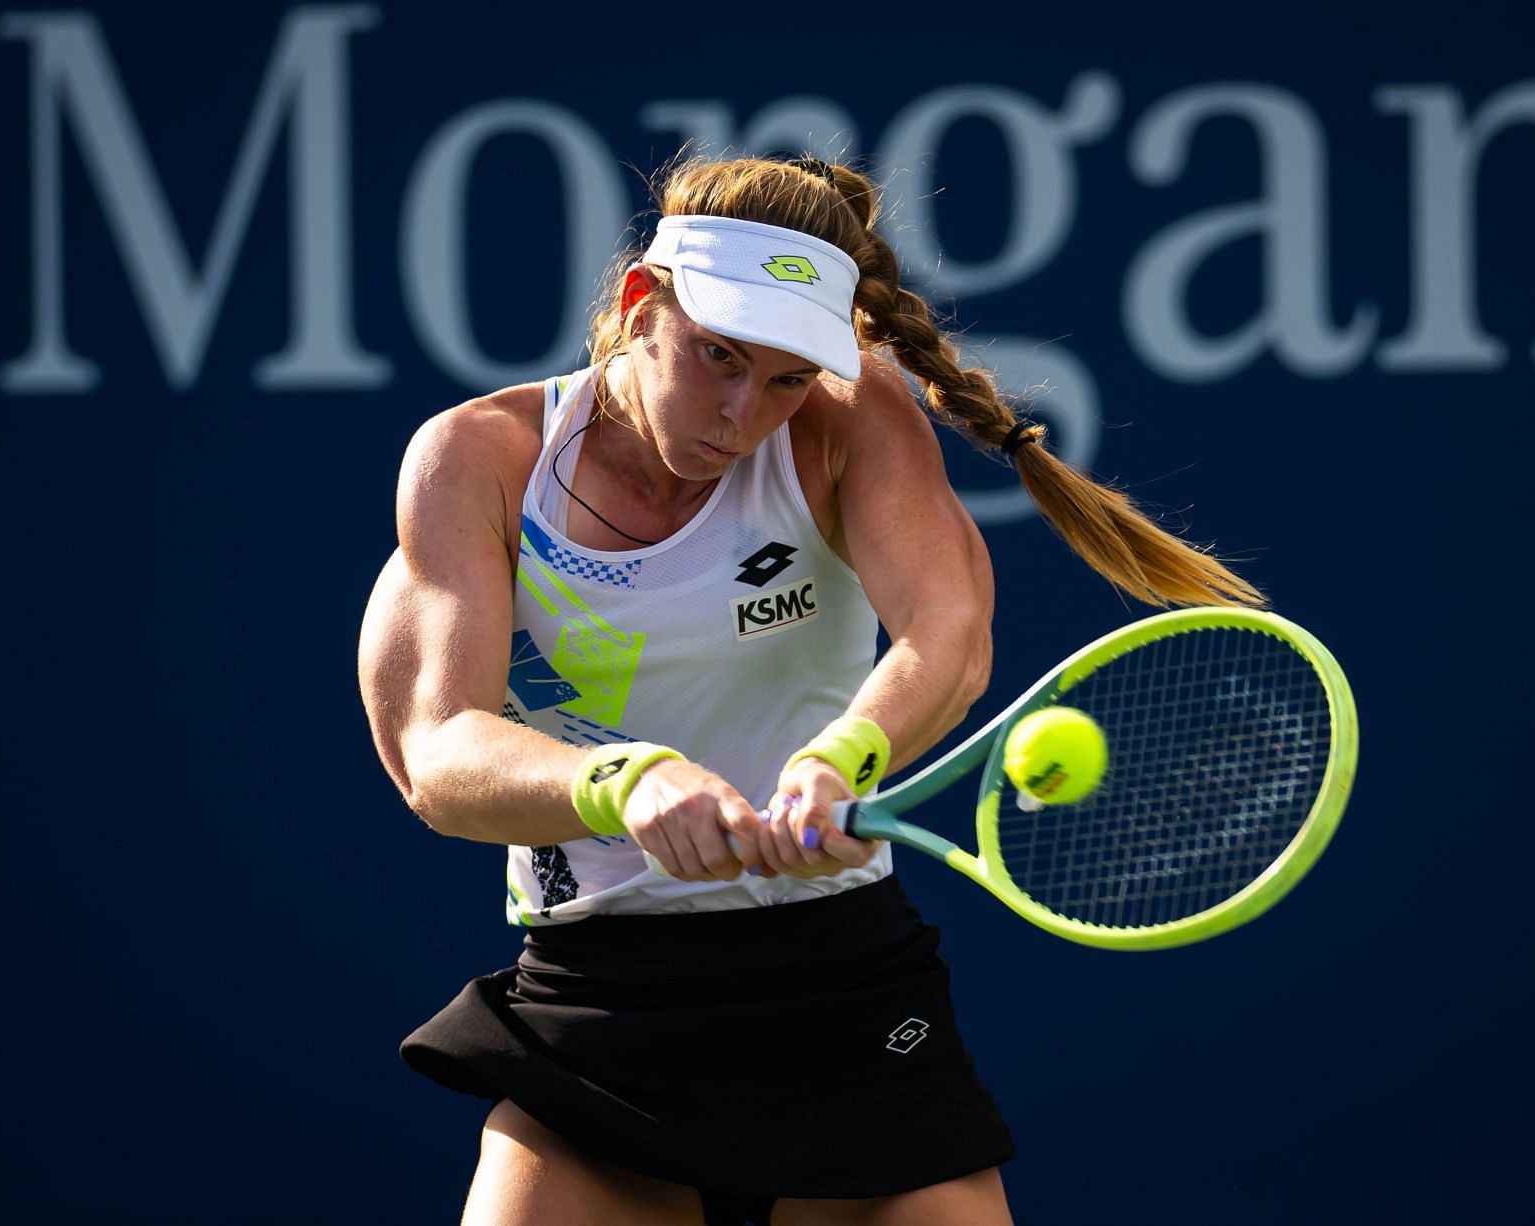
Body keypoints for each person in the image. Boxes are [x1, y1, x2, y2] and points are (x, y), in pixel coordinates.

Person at [357, 153, 1258, 1226]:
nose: (743, 413)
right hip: (600, 1007)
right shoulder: (480, 458)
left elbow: (949, 631)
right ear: (643, 303)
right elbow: (438, 753)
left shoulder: (851, 411)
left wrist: (843, 755)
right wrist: (625, 781)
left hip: (846, 991)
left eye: (785, 378)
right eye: (718, 357)